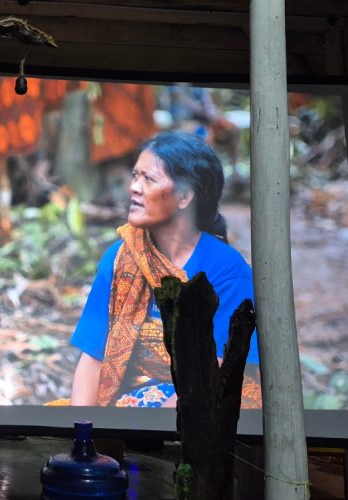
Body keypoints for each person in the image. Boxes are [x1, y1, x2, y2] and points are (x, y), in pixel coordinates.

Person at [69, 131, 261, 408]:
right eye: (135, 176)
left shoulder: (227, 271)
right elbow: (93, 358)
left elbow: (217, 377)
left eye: (149, 179)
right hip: (129, 406)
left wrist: (140, 428)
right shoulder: (120, 258)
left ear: (184, 197)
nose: (134, 187)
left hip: (203, 409)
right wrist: (82, 433)